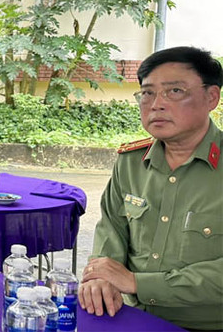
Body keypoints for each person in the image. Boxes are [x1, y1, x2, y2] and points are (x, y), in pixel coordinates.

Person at [79, 46, 222, 331]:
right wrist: (100, 275)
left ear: (211, 97)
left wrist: (137, 283)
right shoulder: (131, 162)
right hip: (130, 318)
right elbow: (111, 228)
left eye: (175, 91)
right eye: (147, 93)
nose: (156, 104)